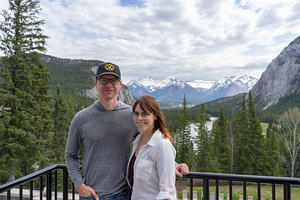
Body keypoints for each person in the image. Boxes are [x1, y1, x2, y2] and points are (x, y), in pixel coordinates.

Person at [65, 62, 189, 200]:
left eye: (113, 80)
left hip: (123, 195)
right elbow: (70, 155)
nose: (109, 85)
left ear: (120, 84)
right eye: (104, 80)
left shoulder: (132, 115)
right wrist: (79, 185)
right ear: (96, 83)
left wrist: (172, 164)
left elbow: (150, 143)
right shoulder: (81, 118)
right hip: (91, 195)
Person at [127, 95, 177, 200]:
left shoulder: (163, 145)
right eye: (136, 114)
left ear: (155, 116)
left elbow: (168, 192)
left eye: (145, 114)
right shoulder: (138, 140)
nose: (139, 118)